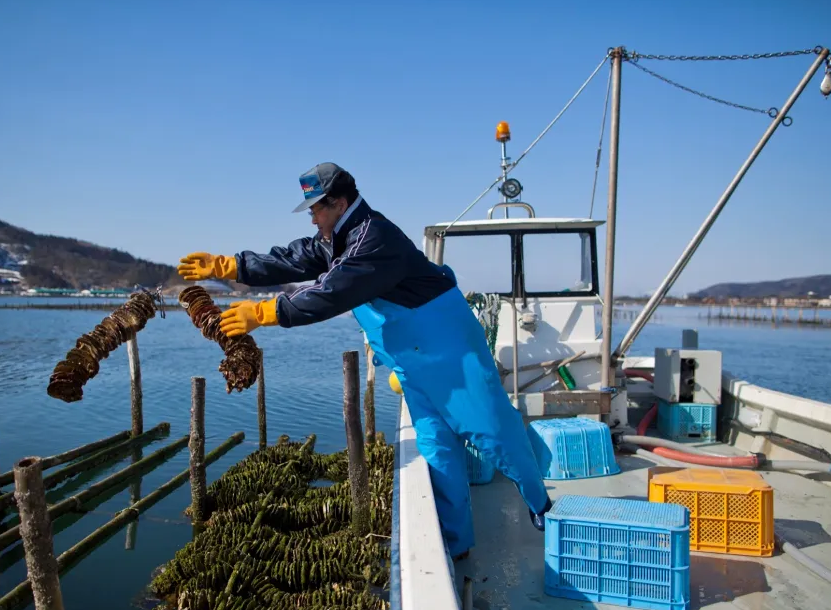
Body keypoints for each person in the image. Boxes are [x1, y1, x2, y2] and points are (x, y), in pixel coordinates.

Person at [177, 162, 551, 559]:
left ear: (339, 203)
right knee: (437, 448)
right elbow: (293, 259)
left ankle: (542, 508)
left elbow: (334, 290)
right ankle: (455, 544)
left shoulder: (374, 238)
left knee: (494, 432)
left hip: (451, 355)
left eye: (315, 209)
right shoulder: (337, 238)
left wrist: (267, 312)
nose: (312, 218)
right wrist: (232, 266)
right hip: (414, 362)